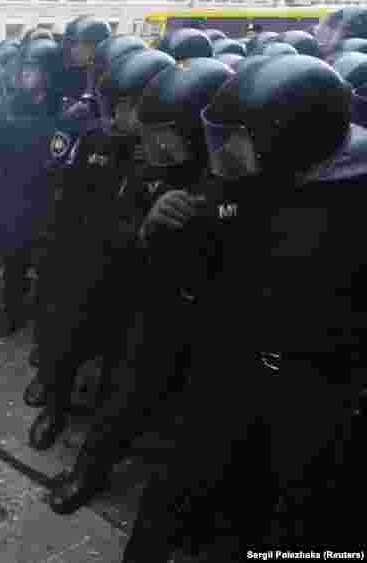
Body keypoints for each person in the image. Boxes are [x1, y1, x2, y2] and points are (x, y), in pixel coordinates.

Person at [122, 54, 366, 560]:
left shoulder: (353, 198)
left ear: (294, 142)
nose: (225, 156)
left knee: (290, 512)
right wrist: (159, 228)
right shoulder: (244, 183)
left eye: (239, 142)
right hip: (229, 361)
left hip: (318, 390)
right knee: (181, 477)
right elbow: (199, 258)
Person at [44, 57, 235, 515]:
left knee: (138, 397)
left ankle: (102, 472)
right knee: (91, 363)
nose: (148, 141)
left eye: (161, 133)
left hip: (182, 313)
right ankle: (72, 439)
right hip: (123, 290)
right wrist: (145, 226)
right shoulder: (145, 164)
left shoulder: (224, 186)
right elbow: (105, 221)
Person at [26, 49, 176, 451]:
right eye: (115, 105)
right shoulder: (97, 140)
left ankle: (94, 423)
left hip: (127, 280)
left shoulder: (168, 164)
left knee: (114, 359)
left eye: (127, 107)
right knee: (62, 346)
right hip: (79, 265)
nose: (116, 116)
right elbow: (69, 201)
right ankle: (56, 409)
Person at [0, 39, 64, 338]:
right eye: (25, 67)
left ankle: (44, 318)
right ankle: (12, 311)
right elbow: (0, 143)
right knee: (14, 257)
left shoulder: (63, 107)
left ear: (49, 72)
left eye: (33, 68)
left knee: (46, 262)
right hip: (15, 190)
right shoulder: (14, 102)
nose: (25, 75)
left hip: (46, 193)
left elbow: (58, 153)